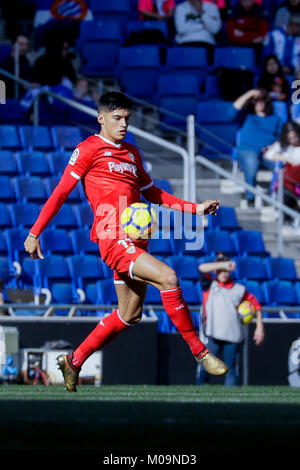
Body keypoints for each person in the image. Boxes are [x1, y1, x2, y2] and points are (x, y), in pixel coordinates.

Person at [24, 91, 228, 392]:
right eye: (117, 118)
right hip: (112, 237)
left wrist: (194, 208)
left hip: (137, 240)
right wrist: (34, 232)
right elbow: (61, 192)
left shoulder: (132, 153)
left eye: (127, 119)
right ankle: (200, 351)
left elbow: (153, 193)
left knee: (129, 315)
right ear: (101, 118)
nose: (123, 124)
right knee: (168, 277)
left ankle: (74, 361)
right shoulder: (89, 149)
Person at [197, 252, 265, 386]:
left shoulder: (239, 289)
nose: (224, 273)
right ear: (216, 271)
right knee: (205, 367)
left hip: (233, 336)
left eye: (226, 271)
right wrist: (224, 264)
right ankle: (198, 398)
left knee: (231, 370)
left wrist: (259, 327)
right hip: (212, 335)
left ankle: (231, 402)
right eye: (221, 271)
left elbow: (256, 306)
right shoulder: (210, 285)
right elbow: (201, 268)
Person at [229, 87, 283, 206]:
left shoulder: (276, 119)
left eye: (262, 100)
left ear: (267, 102)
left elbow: (282, 139)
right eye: (256, 100)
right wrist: (250, 93)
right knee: (251, 160)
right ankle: (250, 198)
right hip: (247, 151)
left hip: (267, 154)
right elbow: (231, 112)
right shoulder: (246, 116)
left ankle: (282, 200)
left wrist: (272, 147)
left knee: (284, 165)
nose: (259, 103)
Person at [263, 120, 300, 220]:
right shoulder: (283, 145)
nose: (293, 140)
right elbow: (268, 154)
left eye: (295, 137)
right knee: (283, 189)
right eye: (290, 138)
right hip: (290, 181)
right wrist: (285, 158)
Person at [0, 33, 35, 99]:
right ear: (13, 45)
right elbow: (5, 88)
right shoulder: (6, 64)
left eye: (26, 44)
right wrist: (23, 86)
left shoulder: (24, 60)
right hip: (14, 98)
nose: (24, 47)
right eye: (21, 44)